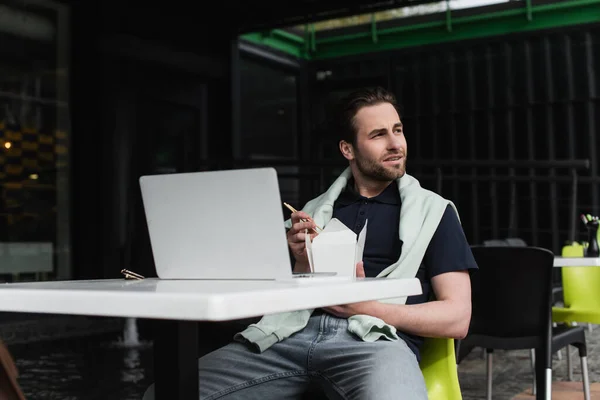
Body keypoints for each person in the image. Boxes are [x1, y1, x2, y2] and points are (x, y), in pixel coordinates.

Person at [144, 86, 477, 400]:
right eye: (378, 135)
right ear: (348, 149)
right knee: (163, 394)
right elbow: (271, 301)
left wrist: (365, 307)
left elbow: (457, 317)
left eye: (398, 130)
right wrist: (301, 265)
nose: (395, 144)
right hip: (289, 336)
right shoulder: (312, 212)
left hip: (376, 340)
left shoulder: (435, 212)